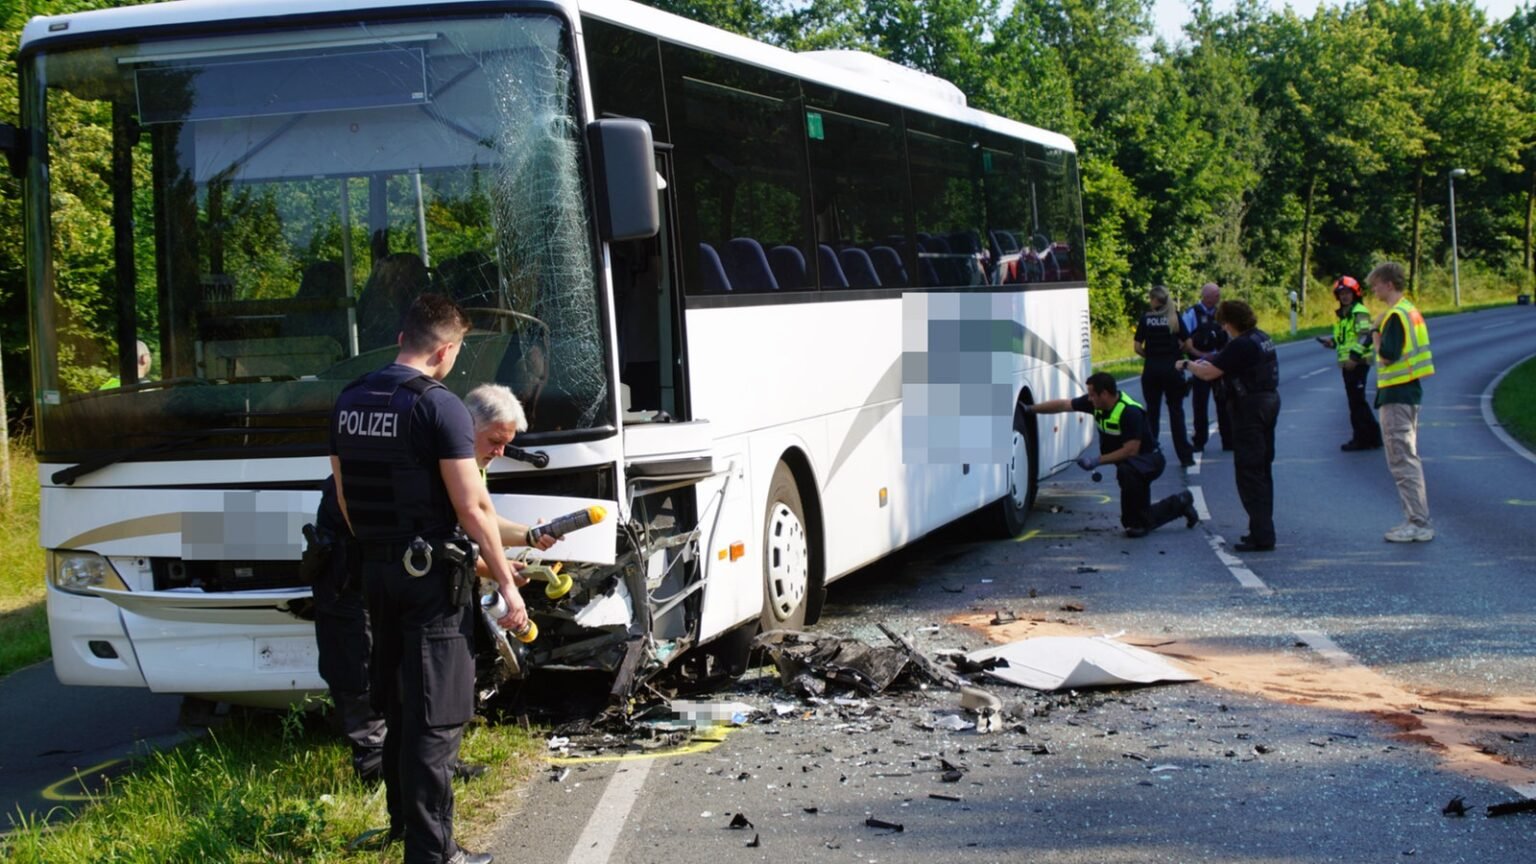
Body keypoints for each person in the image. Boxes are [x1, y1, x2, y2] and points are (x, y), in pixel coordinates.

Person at [329, 293, 524, 864]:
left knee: (395, 703)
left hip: (376, 573)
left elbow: (345, 498)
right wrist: (508, 584)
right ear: (445, 349)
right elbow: (474, 508)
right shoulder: (440, 408)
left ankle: (402, 828)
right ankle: (434, 853)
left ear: (400, 340)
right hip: (430, 581)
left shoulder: (350, 399)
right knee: (436, 715)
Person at [310, 383, 556, 790]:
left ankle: (433, 765)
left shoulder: (463, 459)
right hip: (352, 573)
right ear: (465, 424)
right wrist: (492, 567)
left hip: (397, 571)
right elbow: (433, 541)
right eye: (494, 441)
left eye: (505, 443)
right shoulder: (428, 458)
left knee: (419, 674)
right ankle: (376, 770)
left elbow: (475, 521)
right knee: (361, 666)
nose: (499, 452)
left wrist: (528, 538)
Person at [1026, 372, 1198, 538]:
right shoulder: (1096, 404)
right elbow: (1063, 405)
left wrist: (1096, 460)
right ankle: (1181, 503)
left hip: (1149, 462)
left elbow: (1131, 450)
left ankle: (1177, 504)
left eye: (1093, 395)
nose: (1089, 399)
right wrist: (1029, 409)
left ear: (1105, 394)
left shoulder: (1129, 412)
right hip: (1134, 464)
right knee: (1136, 520)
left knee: (1128, 487)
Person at [1182, 299, 1280, 552]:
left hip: (1250, 409)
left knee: (1249, 472)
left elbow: (1208, 374)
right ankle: (1260, 528)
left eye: (1223, 324)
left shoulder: (1242, 344)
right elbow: (1222, 361)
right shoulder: (1260, 337)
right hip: (1268, 403)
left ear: (1228, 323)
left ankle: (1262, 534)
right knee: (1262, 470)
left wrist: (1186, 364)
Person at [1367, 261, 1435, 543]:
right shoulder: (1410, 311)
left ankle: (1417, 522)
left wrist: (1375, 334)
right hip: (1407, 391)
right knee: (1407, 457)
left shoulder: (1394, 316)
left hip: (1397, 394)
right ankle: (1414, 518)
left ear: (1389, 284)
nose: (1374, 289)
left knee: (1402, 459)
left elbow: (1388, 355)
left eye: (1376, 284)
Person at [1316, 276, 1382, 452]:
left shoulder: (1358, 312)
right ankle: (1373, 437)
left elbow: (1365, 336)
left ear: (1355, 294)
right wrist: (1332, 343)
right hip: (1348, 363)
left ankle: (1361, 439)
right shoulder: (1344, 315)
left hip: (1357, 363)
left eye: (1347, 293)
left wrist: (1354, 356)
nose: (1344, 296)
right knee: (1356, 401)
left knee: (1356, 402)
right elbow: (1346, 339)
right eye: (1341, 293)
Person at [1134, 285, 1195, 468]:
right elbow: (1189, 344)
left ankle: (1151, 454)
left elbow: (1137, 347)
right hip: (1173, 369)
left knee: (1152, 412)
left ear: (1153, 299)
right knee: (1176, 412)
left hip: (1152, 370)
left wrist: (1150, 357)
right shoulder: (1174, 317)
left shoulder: (1146, 319)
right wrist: (1176, 353)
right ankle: (1185, 457)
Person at [1180, 283, 1231, 452]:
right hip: (1199, 365)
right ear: (1207, 296)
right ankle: (1199, 441)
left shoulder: (1222, 314)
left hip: (1220, 364)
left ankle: (1228, 440)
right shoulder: (1192, 314)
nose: (1218, 297)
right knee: (1200, 404)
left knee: (1224, 402)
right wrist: (1201, 355)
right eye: (1216, 295)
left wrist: (1221, 355)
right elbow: (1184, 341)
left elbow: (1230, 336)